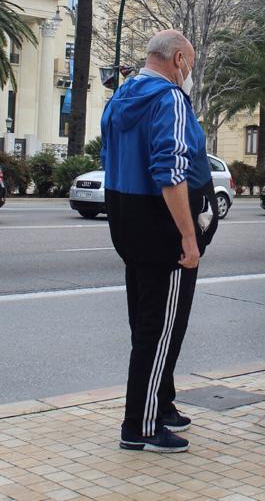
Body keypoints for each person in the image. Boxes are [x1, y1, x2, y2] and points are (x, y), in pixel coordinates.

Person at [100, 29, 219, 453]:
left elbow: (108, 158)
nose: (190, 71)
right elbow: (170, 171)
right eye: (190, 62)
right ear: (179, 59)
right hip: (161, 228)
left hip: (128, 224)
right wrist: (189, 235)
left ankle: (161, 402)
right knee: (160, 328)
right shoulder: (169, 100)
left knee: (152, 324)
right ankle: (142, 425)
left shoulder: (121, 96)